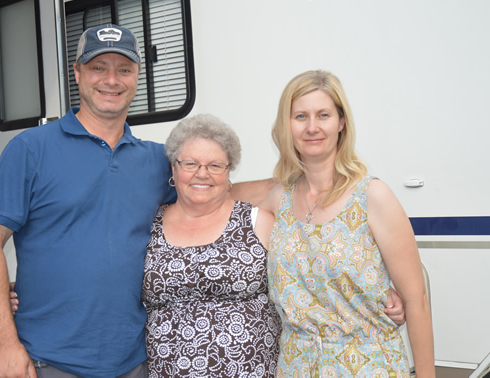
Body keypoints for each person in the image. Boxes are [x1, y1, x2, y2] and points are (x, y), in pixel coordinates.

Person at [0, 24, 175, 378]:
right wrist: (4, 343)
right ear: (77, 73)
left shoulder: (158, 161)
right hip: (48, 360)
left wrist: (289, 183)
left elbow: (214, 198)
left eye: (124, 69)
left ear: (137, 76)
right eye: (98, 67)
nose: (112, 80)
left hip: (133, 359)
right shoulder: (30, 149)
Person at [260, 70, 435, 377]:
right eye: (300, 116)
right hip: (295, 367)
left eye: (323, 115)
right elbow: (217, 193)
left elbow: (416, 300)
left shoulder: (372, 196)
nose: (312, 127)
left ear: (341, 122)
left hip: (368, 367)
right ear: (286, 126)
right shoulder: (279, 200)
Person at [141, 114, 280, 377]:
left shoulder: (256, 220)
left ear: (229, 172)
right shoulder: (150, 225)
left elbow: (301, 280)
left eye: (215, 165)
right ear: (173, 168)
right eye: (191, 163)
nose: (202, 174)